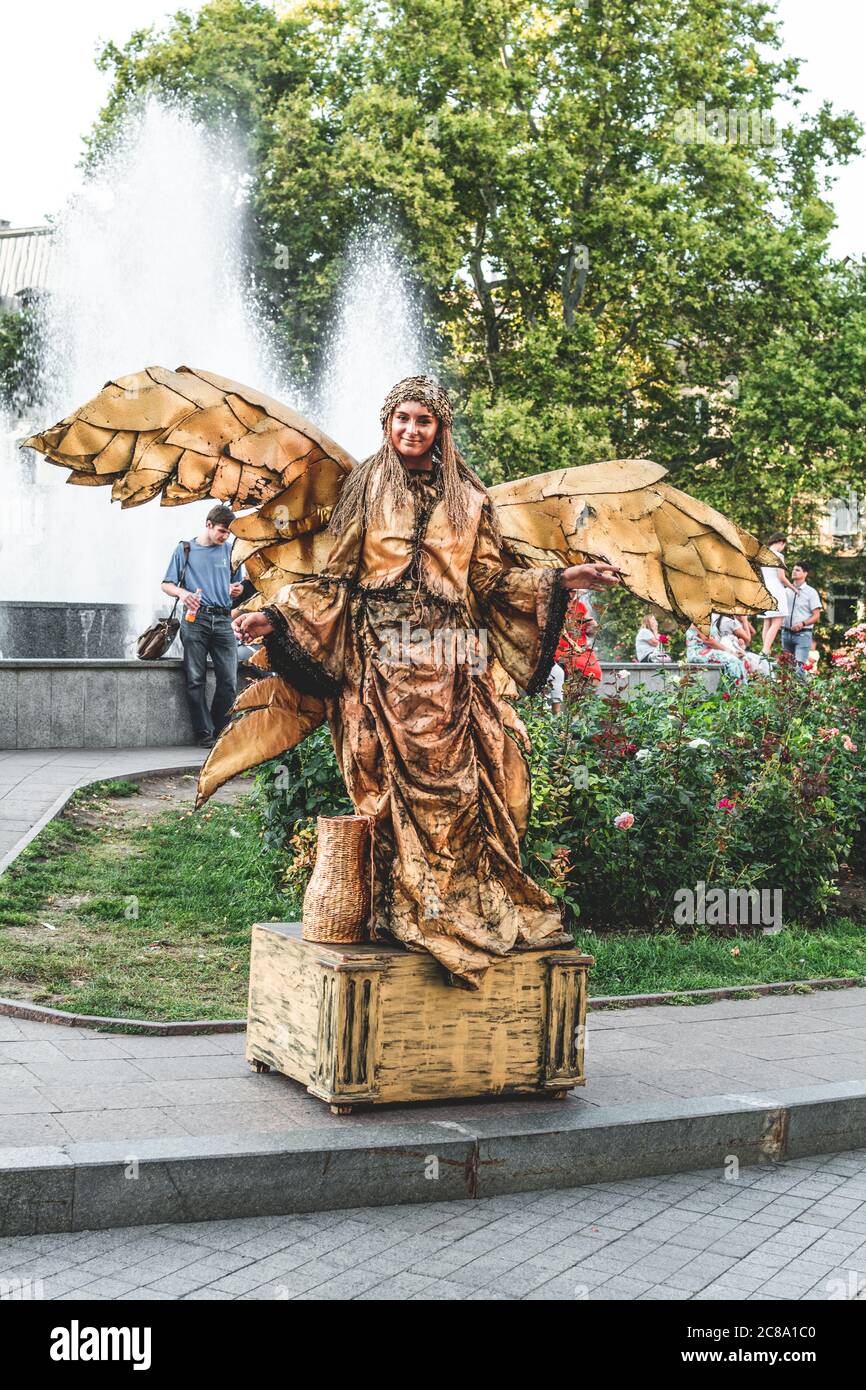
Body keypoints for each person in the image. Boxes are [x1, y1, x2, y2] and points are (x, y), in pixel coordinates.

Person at [234, 376, 622, 988]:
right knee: (380, 783)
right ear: (387, 423)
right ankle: (400, 909)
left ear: (441, 428)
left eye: (424, 421)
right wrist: (276, 617)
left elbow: (491, 582)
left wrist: (561, 580)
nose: (411, 430)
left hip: (449, 664)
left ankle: (456, 907)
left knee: (469, 787)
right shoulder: (365, 485)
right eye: (402, 419)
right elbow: (335, 580)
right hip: (378, 663)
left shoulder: (470, 500)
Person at [162, 505, 245, 747]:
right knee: (195, 679)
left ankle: (220, 730)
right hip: (194, 620)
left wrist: (236, 589)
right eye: (221, 531)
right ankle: (203, 733)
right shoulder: (185, 549)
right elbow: (166, 584)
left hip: (223, 620)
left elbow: (236, 586)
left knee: (229, 679)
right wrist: (182, 592)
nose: (225, 537)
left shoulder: (231, 552)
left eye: (228, 533)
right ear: (208, 524)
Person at [760, 532, 797, 658]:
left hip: (765, 589)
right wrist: (793, 588)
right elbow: (781, 577)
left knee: (767, 622)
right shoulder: (779, 556)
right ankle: (765, 650)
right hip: (776, 589)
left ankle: (765, 649)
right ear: (781, 542)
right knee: (777, 622)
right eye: (783, 545)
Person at [781, 562, 822, 676]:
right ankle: (788, 694)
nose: (794, 571)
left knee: (798, 670)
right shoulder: (786, 590)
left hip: (803, 635)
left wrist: (802, 624)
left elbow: (816, 615)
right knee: (786, 669)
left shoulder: (811, 592)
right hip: (786, 633)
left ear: (805, 574)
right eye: (793, 569)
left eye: (798, 570)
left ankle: (801, 693)